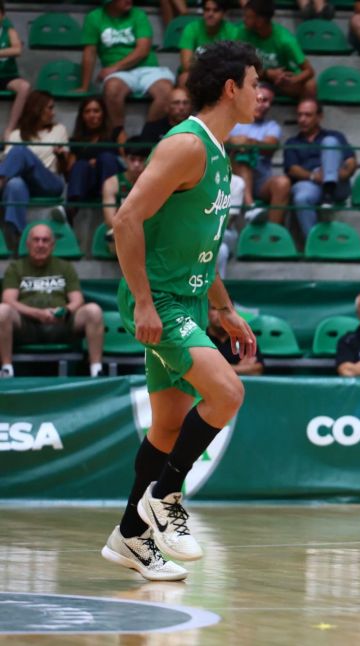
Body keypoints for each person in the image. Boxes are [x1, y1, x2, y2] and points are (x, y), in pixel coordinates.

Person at [101, 40, 261, 582]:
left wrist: (224, 309)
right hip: (160, 299)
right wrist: (145, 302)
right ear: (231, 88)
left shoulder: (218, 153)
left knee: (169, 424)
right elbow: (126, 220)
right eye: (255, 84)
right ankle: (166, 495)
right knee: (228, 392)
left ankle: (130, 534)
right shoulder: (187, 145)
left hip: (187, 297)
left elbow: (198, 248)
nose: (262, 94)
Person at [0, 224, 104, 378]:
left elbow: (77, 300)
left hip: (61, 324)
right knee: (2, 311)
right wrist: (37, 313)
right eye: (36, 240)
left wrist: (64, 311)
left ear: (53, 245)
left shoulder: (65, 267)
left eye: (45, 240)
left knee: (93, 311)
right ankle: (6, 369)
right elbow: (8, 300)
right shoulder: (16, 268)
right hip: (27, 326)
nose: (40, 244)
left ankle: (96, 370)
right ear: (28, 244)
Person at [78, 0, 176, 132]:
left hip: (147, 68)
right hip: (119, 75)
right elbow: (89, 53)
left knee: (167, 91)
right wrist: (84, 86)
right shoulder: (94, 17)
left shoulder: (139, 14)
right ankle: (118, 135)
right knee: (112, 89)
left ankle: (147, 135)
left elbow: (143, 50)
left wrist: (115, 67)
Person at [0, 91, 68, 244]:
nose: (53, 113)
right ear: (37, 109)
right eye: (50, 108)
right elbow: (9, 165)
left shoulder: (59, 129)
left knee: (19, 150)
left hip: (49, 181)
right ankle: (19, 239)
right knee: (14, 184)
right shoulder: (16, 134)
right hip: (24, 183)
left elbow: (65, 169)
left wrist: (61, 157)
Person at [283, 99, 356, 238]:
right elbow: (292, 169)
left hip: (337, 183)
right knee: (301, 198)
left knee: (330, 142)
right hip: (310, 183)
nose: (302, 119)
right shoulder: (292, 142)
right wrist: (315, 176)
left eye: (308, 115)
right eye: (299, 115)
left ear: (319, 117)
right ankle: (314, 242)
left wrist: (338, 173)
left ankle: (329, 192)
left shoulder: (336, 136)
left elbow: (351, 162)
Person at [227, 84, 290, 225]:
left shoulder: (271, 126)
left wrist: (249, 142)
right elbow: (219, 141)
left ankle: (272, 232)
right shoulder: (232, 120)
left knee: (283, 183)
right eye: (263, 100)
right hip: (231, 176)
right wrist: (232, 141)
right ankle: (250, 206)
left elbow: (270, 145)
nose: (266, 105)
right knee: (242, 153)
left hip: (261, 181)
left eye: (269, 102)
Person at [238, 0, 316, 100]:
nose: (244, 20)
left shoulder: (285, 40)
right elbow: (237, 65)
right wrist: (267, 73)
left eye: (248, 17)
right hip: (255, 77)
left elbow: (309, 71)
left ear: (260, 21)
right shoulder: (243, 32)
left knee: (310, 85)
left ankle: (305, 109)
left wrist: (292, 80)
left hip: (280, 82)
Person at [65, 97, 125, 224]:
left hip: (111, 179)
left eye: (96, 111)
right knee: (81, 165)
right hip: (90, 184)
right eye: (87, 111)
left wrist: (99, 162)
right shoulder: (76, 140)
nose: (92, 115)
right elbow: (70, 170)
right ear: (82, 116)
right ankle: (70, 211)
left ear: (103, 113)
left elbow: (126, 160)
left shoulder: (116, 133)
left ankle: (113, 207)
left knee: (106, 158)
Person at [101, 135, 151, 254]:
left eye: (141, 160)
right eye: (132, 159)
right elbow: (110, 221)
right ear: (124, 159)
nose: (136, 164)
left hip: (147, 233)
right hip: (121, 234)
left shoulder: (154, 183)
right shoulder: (112, 183)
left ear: (148, 160)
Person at [177, 0, 239, 88]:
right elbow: (186, 65)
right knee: (185, 78)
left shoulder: (233, 31)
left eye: (216, 10)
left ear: (224, 13)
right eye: (207, 9)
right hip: (196, 73)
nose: (210, 14)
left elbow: (234, 63)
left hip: (221, 75)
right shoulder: (191, 28)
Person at [0, 1, 31, 140]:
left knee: (24, 87)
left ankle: (10, 129)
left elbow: (17, 49)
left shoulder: (9, 30)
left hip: (7, 75)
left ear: (3, 15)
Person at [206, 304, 264, 375]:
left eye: (225, 309)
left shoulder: (244, 336)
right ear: (207, 313)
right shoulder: (201, 337)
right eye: (214, 308)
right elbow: (200, 369)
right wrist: (240, 368)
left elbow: (258, 369)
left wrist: (216, 369)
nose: (220, 313)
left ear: (233, 313)